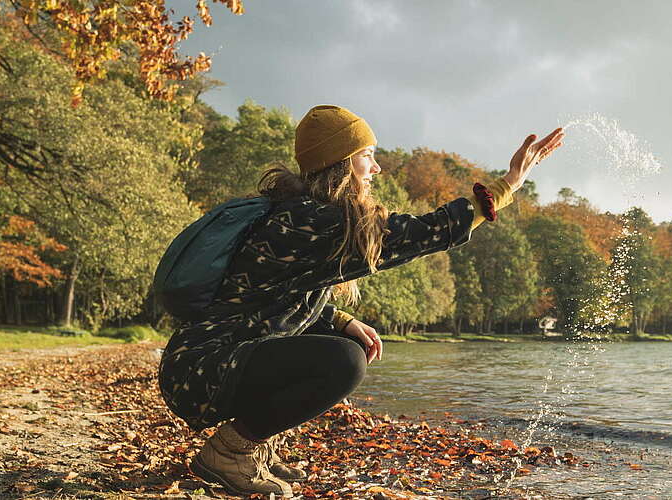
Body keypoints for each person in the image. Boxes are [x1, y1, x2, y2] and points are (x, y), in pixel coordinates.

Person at [158, 104, 564, 495]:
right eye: (367, 156)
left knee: (348, 344)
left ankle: (257, 444)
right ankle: (230, 451)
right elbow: (419, 234)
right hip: (203, 371)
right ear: (339, 162)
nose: (376, 168)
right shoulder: (312, 222)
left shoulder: (299, 214)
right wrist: (506, 185)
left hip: (206, 363)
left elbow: (272, 297)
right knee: (344, 361)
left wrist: (339, 320)